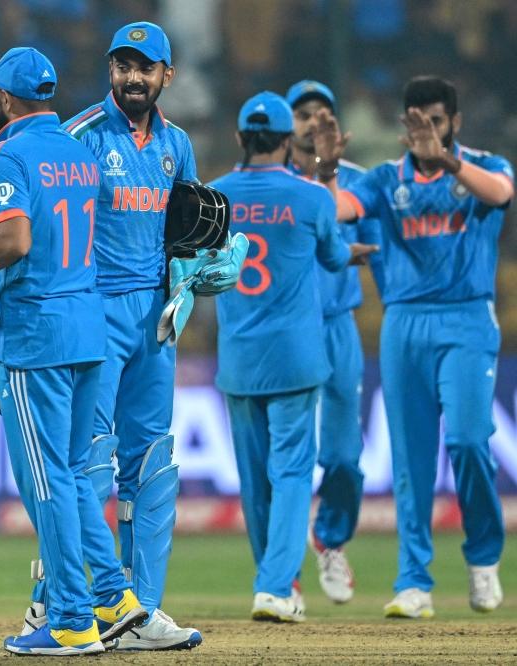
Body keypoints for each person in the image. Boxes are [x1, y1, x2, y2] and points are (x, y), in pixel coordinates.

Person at [0, 46, 147, 656]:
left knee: (44, 483)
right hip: (89, 327)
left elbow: (14, 240)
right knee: (69, 476)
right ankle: (115, 598)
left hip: (38, 336)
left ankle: (69, 618)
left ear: (6, 98)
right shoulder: (79, 150)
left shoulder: (7, 153)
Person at [24, 22, 207, 650]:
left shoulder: (177, 144)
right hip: (91, 316)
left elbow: (182, 235)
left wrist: (198, 271)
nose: (132, 78)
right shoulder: (75, 138)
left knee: (153, 468)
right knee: (87, 470)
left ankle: (140, 614)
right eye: (122, 66)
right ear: (110, 70)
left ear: (166, 76)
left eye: (145, 67)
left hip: (155, 321)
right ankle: (53, 608)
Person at [320, 76, 512, 618]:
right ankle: (414, 582)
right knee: (410, 461)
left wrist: (447, 163)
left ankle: (482, 559)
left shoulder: (487, 167)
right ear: (404, 123)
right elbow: (331, 212)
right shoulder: (384, 179)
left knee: (472, 442)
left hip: (468, 318)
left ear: (455, 121)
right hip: (404, 323)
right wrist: (329, 170)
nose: (425, 130)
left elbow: (501, 196)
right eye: (416, 120)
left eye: (435, 119)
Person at [209, 91, 375, 623]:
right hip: (296, 357)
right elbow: (331, 257)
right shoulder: (311, 198)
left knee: (254, 479)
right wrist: (350, 252)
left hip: (239, 358)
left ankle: (273, 581)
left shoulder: (214, 197)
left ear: (239, 139)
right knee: (292, 473)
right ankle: (276, 587)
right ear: (286, 142)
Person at [284, 79, 383, 604]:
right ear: (287, 123)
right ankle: (284, 574)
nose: (313, 121)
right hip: (286, 327)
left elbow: (371, 234)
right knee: (290, 455)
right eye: (302, 113)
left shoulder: (360, 184)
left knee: (344, 455)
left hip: (338, 325)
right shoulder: (272, 182)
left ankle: (330, 540)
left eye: (323, 112)